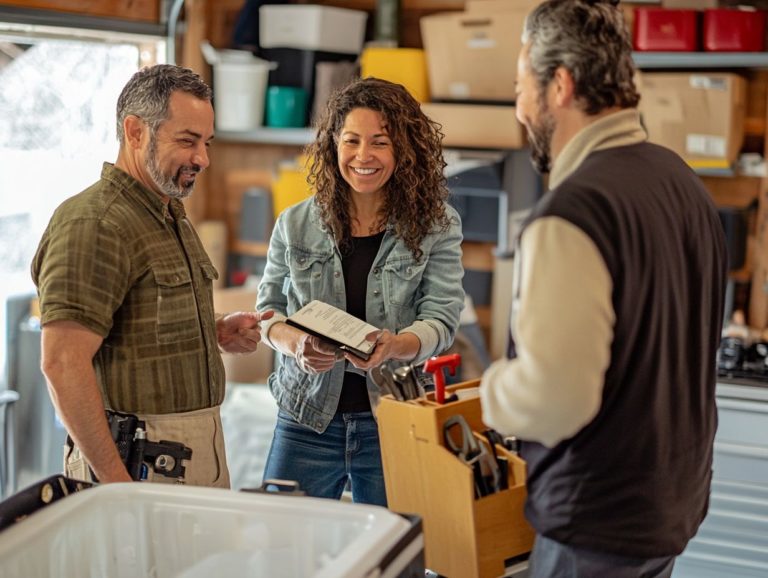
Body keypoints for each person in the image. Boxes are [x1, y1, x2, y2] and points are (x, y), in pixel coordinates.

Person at [479, 1, 728, 576]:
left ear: (559, 86)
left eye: (522, 87)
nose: (519, 107)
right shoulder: (683, 184)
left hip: (594, 522)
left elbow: (556, 399)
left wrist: (493, 392)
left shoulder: (573, 212)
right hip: (667, 508)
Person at [31, 64, 273, 487]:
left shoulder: (166, 213)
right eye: (187, 140)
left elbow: (134, 324)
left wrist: (212, 332)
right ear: (135, 131)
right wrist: (116, 484)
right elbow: (62, 362)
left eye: (207, 142)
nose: (203, 158)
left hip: (191, 454)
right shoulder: (95, 222)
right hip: (136, 464)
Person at [256, 77, 465, 506]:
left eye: (380, 143)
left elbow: (441, 319)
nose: (363, 156)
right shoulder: (293, 224)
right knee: (285, 548)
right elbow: (268, 313)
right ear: (334, 145)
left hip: (392, 416)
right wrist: (296, 344)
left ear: (404, 149)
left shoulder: (437, 226)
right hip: (304, 417)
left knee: (394, 558)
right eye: (351, 140)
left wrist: (396, 346)